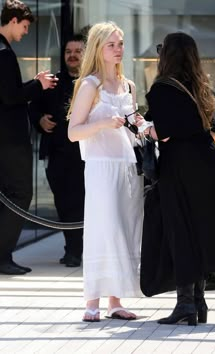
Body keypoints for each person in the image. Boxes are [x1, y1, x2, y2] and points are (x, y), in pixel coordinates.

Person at [141, 32, 215, 325]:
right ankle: (198, 303)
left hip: (179, 167)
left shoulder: (161, 89)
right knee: (198, 231)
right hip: (208, 163)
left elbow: (164, 132)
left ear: (167, 56)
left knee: (180, 232)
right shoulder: (202, 86)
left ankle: (186, 305)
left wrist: (145, 129)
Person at [68, 22, 144, 322]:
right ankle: (92, 302)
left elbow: (134, 123)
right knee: (102, 230)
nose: (118, 49)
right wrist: (102, 123)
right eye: (112, 44)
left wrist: (140, 124)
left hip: (129, 166)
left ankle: (115, 301)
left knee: (125, 230)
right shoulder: (89, 85)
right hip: (101, 168)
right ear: (98, 48)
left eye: (121, 43)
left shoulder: (128, 85)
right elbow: (73, 133)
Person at [0, 0, 57, 275]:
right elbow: (11, 97)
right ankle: (2, 255)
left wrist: (33, 83)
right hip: (9, 141)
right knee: (21, 193)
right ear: (12, 21)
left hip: (6, 140)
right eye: (23, 27)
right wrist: (39, 85)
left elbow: (7, 93)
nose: (24, 33)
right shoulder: (4, 53)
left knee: (11, 195)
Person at [29, 34, 86, 267]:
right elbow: (31, 110)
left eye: (77, 51)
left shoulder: (94, 82)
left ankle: (81, 250)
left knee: (84, 204)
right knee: (63, 204)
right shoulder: (51, 82)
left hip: (87, 157)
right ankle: (72, 249)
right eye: (68, 51)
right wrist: (40, 120)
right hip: (58, 156)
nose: (72, 55)